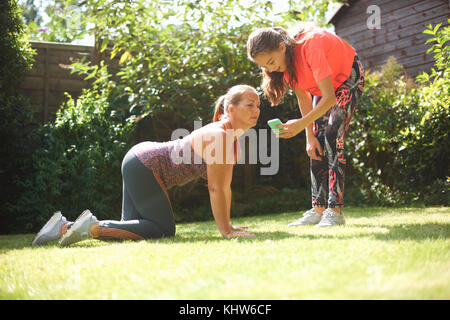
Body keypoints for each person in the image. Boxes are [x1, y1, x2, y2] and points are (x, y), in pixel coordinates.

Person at [32, 84, 260, 247]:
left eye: (258, 105)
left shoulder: (229, 140)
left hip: (139, 160)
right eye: (250, 105)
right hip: (144, 164)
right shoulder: (219, 136)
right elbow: (216, 189)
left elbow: (224, 187)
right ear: (230, 109)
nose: (256, 111)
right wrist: (226, 231)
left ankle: (63, 227)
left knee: (131, 230)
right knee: (162, 230)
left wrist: (229, 225)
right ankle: (90, 225)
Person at [247, 24, 365, 227]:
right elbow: (304, 99)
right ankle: (318, 208)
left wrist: (301, 125)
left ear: (282, 47)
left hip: (347, 77)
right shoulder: (285, 67)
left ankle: (335, 211)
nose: (271, 69)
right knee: (317, 144)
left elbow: (328, 99)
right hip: (324, 87)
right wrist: (309, 138)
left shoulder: (312, 46)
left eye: (271, 62)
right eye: (265, 66)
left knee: (331, 133)